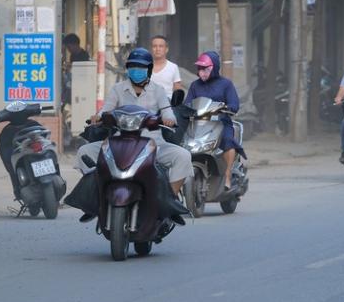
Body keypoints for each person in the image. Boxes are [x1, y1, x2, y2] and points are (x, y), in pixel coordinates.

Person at [75, 47, 193, 197]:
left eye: (141, 67)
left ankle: (171, 197)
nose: (137, 70)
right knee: (84, 152)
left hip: (153, 143)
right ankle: (99, 193)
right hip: (118, 142)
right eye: (133, 66)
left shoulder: (158, 90)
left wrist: (169, 119)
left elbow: (167, 110)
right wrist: (98, 116)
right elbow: (106, 109)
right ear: (128, 69)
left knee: (183, 156)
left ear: (149, 69)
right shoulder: (117, 89)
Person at [185, 51, 246, 192]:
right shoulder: (195, 85)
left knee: (228, 142)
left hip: (221, 122)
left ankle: (228, 174)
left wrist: (228, 108)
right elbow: (188, 103)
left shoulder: (226, 84)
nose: (202, 73)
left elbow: (234, 104)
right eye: (200, 69)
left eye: (206, 69)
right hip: (199, 124)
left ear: (215, 67)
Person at [149, 35, 182, 100]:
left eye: (161, 46)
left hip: (168, 106)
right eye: (154, 46)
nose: (157, 49)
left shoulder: (173, 67)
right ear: (151, 49)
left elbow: (178, 92)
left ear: (166, 49)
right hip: (148, 106)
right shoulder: (145, 67)